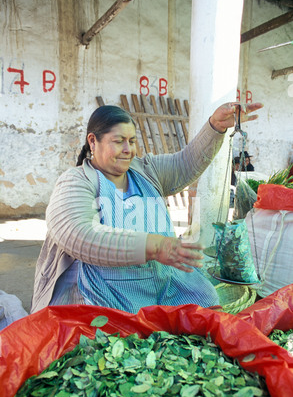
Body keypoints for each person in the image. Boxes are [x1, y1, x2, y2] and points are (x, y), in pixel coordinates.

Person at [31, 101, 263, 314]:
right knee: (111, 337)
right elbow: (78, 234)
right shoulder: (76, 181)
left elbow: (186, 163)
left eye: (132, 141)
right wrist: (156, 247)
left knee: (205, 304)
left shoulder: (145, 170)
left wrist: (215, 127)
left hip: (162, 285)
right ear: (93, 141)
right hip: (104, 292)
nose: (128, 149)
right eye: (118, 141)